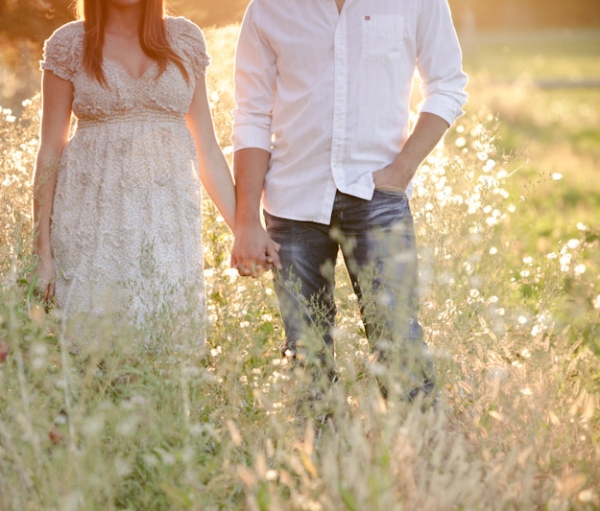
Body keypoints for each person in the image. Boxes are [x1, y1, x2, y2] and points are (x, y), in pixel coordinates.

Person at [230, 0, 469, 401]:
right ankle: (321, 457)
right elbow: (252, 114)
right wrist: (246, 221)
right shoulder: (268, 8)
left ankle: (424, 456)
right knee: (306, 354)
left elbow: (447, 85)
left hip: (379, 195)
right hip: (292, 203)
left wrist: (401, 171)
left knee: (398, 343)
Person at [33, 0, 238, 345]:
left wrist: (244, 229)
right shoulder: (68, 45)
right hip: (91, 232)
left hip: (168, 231)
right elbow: (50, 150)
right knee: (96, 358)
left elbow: (207, 148)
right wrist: (42, 255)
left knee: (169, 354)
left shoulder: (184, 40)